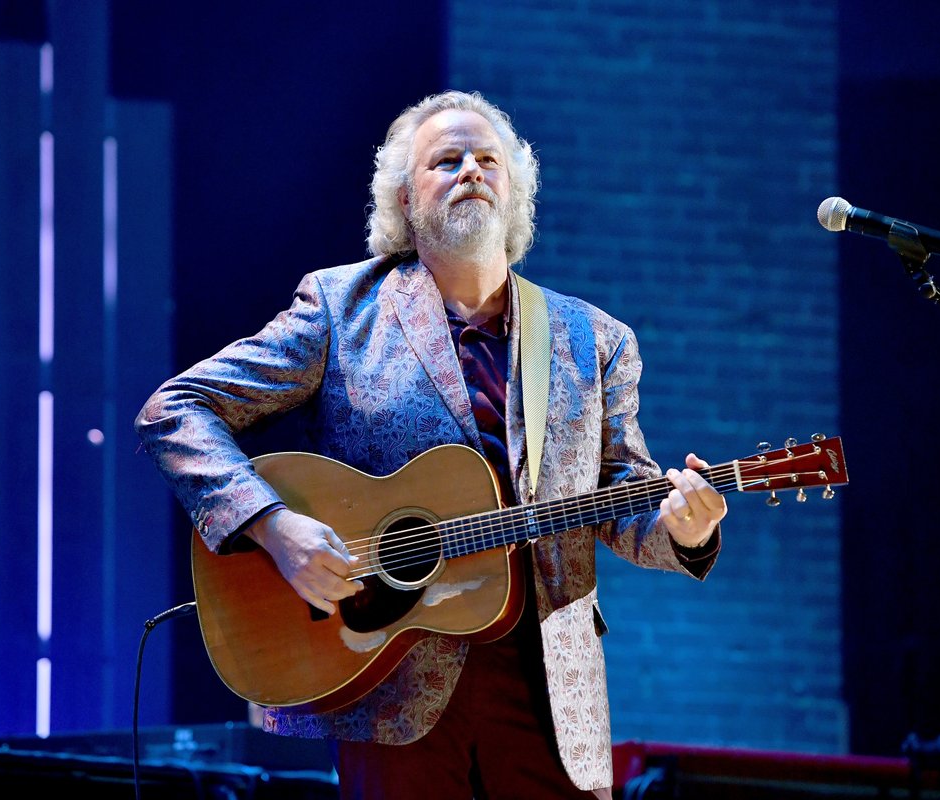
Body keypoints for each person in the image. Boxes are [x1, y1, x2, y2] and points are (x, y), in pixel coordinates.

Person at [134, 89, 726, 799]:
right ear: (406, 202)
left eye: (488, 160)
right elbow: (176, 409)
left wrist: (681, 531)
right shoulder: (338, 309)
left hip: (548, 689)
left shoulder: (592, 341)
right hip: (387, 678)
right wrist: (275, 526)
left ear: (514, 194)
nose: (471, 169)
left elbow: (620, 500)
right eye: (447, 160)